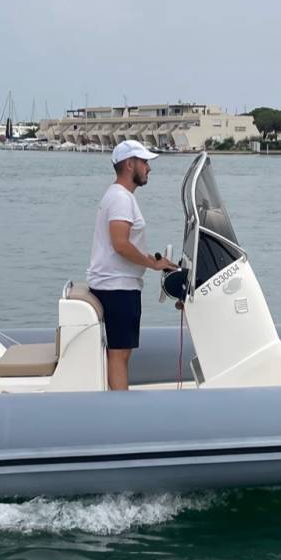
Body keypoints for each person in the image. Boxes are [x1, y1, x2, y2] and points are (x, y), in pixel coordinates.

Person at [87, 139, 176, 390]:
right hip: (117, 287)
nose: (149, 168)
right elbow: (120, 244)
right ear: (129, 164)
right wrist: (152, 264)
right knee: (119, 354)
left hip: (116, 284)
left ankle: (117, 402)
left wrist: (154, 261)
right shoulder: (121, 199)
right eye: (144, 162)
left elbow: (123, 244)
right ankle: (120, 407)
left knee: (120, 353)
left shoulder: (118, 196)